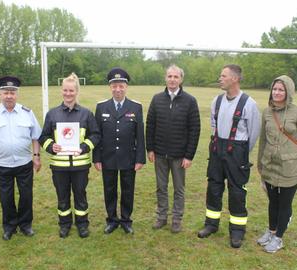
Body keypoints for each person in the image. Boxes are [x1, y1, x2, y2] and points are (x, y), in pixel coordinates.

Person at [197, 64, 260, 248]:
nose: (220, 79)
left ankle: (237, 231)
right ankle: (211, 224)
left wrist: (241, 154)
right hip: (217, 148)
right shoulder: (216, 101)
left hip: (237, 152)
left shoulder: (249, 103)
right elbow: (214, 125)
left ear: (235, 79)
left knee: (237, 191)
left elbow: (253, 133)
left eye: (223, 76)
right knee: (214, 187)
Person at [0, 76, 41, 240]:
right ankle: (10, 226)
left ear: (17, 94)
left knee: (26, 195)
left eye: (12, 92)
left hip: (24, 163)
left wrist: (36, 156)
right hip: (1, 164)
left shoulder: (27, 113)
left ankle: (26, 225)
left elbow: (36, 137)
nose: (9, 96)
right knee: (6, 198)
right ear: (0, 94)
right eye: (6, 92)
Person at [39, 73, 100, 239]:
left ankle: (82, 224)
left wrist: (84, 147)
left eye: (71, 90)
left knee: (80, 195)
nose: (68, 93)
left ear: (76, 92)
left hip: (80, 165)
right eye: (65, 90)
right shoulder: (52, 114)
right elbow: (43, 137)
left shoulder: (86, 114)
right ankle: (64, 224)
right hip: (59, 165)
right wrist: (52, 146)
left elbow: (96, 135)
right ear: (61, 91)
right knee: (62, 196)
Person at [146, 64, 201, 233]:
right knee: (161, 187)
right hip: (160, 154)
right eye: (169, 76)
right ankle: (162, 217)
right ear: (165, 78)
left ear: (181, 79)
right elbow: (150, 125)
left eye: (176, 77)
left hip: (179, 156)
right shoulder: (157, 99)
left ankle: (177, 219)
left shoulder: (190, 101)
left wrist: (189, 156)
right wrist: (150, 149)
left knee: (179, 189)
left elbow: (195, 129)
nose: (172, 79)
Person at [93, 67, 146, 234]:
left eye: (121, 86)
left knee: (127, 189)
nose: (117, 89)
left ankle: (126, 219)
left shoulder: (136, 107)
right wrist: (97, 158)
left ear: (126, 87)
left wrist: (140, 158)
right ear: (110, 87)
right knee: (109, 189)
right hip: (107, 157)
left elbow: (140, 135)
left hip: (128, 157)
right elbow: (97, 134)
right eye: (114, 86)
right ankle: (111, 220)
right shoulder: (101, 107)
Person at [256, 75, 297, 253]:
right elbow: (263, 140)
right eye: (275, 89)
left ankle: (278, 238)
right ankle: (271, 231)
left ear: (289, 92)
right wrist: (260, 164)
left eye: (281, 90)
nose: (277, 93)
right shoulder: (267, 112)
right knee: (273, 202)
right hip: (270, 165)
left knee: (284, 204)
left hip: (290, 167)